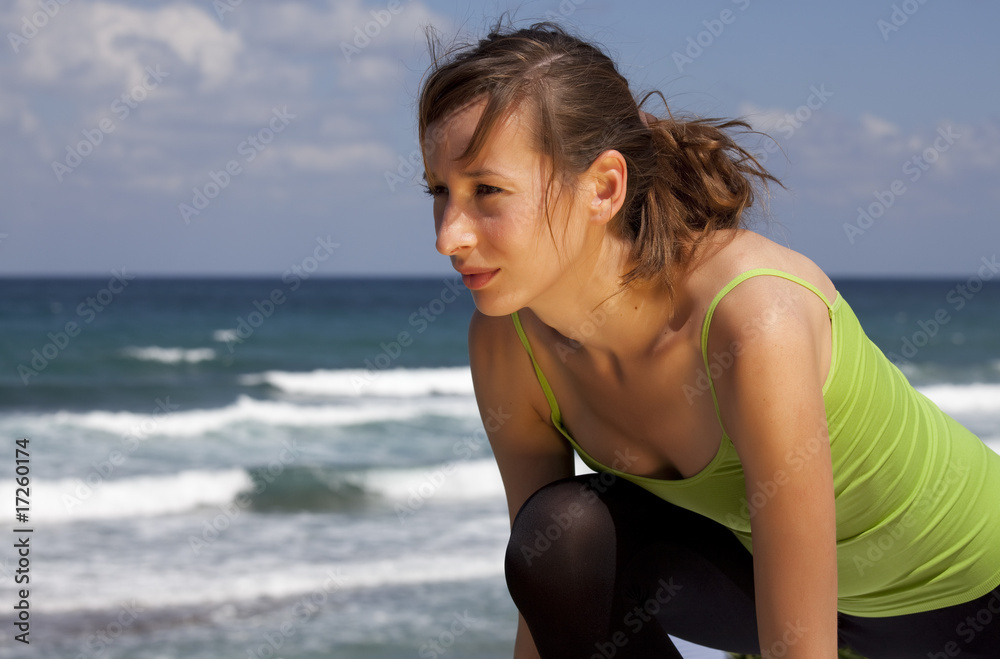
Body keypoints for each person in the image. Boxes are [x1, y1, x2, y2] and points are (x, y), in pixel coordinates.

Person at [417, 21, 1000, 659]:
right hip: (790, 605)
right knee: (559, 541)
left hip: (973, 602)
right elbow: (548, 602)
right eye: (440, 191)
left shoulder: (752, 317)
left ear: (604, 187)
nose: (448, 236)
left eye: (488, 191)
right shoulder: (507, 345)